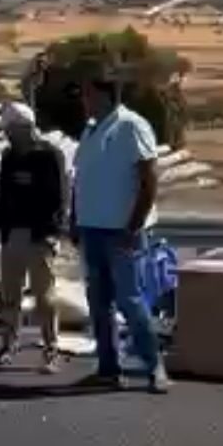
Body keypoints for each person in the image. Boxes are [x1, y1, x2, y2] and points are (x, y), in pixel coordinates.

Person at [71, 75, 170, 394]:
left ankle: (153, 366)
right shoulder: (90, 129)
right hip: (92, 229)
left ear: (105, 95)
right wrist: (75, 219)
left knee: (130, 300)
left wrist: (134, 226)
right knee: (99, 303)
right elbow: (81, 180)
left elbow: (149, 178)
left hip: (121, 231)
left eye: (88, 93)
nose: (83, 99)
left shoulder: (131, 126)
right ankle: (108, 367)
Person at [0, 101, 67, 373]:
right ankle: (9, 343)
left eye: (9, 129)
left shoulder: (49, 155)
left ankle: (51, 349)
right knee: (10, 295)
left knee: (45, 297)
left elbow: (60, 199)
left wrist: (51, 233)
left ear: (23, 128)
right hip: (12, 234)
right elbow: (2, 194)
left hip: (39, 236)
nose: (6, 135)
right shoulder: (9, 157)